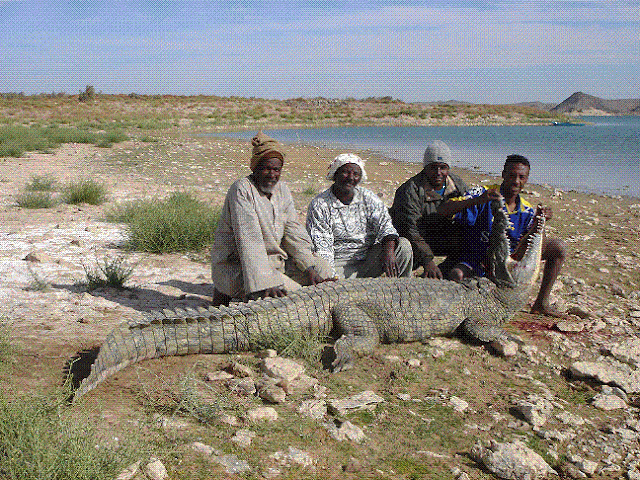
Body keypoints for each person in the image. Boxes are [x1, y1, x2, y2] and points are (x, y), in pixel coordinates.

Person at [211, 132, 332, 306]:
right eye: (266, 168)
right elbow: (249, 241)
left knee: (324, 272)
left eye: (276, 169)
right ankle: (249, 293)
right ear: (255, 167)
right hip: (241, 267)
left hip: (277, 262)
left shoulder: (282, 189)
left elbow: (294, 232)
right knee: (298, 297)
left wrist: (309, 267)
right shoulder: (242, 189)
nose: (272, 174)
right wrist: (267, 281)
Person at [438, 154, 567, 317]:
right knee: (457, 275)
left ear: (527, 179)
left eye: (522, 177)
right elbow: (444, 210)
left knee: (559, 247)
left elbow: (532, 248)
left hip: (506, 265)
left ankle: (541, 303)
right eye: (512, 175)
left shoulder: (526, 210)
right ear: (503, 174)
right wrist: (477, 201)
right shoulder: (483, 193)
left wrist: (539, 223)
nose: (516, 181)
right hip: (476, 259)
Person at [306, 153, 413, 279]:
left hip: (367, 259)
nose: (351, 178)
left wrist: (389, 252)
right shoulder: (320, 204)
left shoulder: (368, 198)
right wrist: (331, 277)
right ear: (335, 174)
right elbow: (323, 247)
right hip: (337, 263)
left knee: (403, 246)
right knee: (321, 271)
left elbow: (386, 226)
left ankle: (403, 289)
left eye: (356, 174)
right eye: (345, 172)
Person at [389, 140, 468, 279]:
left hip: (441, 234)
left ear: (448, 168)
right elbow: (410, 229)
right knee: (406, 248)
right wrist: (428, 261)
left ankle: (445, 271)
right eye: (433, 167)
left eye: (443, 167)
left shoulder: (457, 184)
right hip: (412, 238)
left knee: (471, 238)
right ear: (425, 167)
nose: (438, 172)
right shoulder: (410, 190)